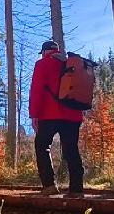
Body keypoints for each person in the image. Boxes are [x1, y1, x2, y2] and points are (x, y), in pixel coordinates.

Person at [29, 40, 84, 197]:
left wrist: (34, 115)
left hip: (49, 115)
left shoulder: (42, 64)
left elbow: (37, 90)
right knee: (71, 149)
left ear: (44, 52)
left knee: (42, 146)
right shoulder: (71, 65)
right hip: (73, 115)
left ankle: (49, 186)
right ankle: (77, 189)